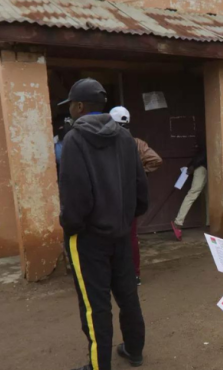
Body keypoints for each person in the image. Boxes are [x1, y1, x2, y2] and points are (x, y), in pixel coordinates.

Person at [59, 79, 149, 370]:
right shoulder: (125, 137)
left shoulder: (74, 139)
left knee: (95, 306)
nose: (70, 110)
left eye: (71, 105)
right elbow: (141, 188)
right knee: (127, 295)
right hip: (121, 234)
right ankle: (134, 350)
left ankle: (99, 366)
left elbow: (76, 196)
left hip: (88, 238)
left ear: (80, 106)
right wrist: (125, 219)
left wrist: (70, 227)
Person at [110, 106, 162, 286]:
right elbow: (156, 159)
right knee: (131, 236)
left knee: (111, 236)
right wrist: (140, 172)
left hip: (110, 198)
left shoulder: (104, 142)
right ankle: (134, 275)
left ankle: (115, 275)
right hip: (130, 197)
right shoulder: (137, 143)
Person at [170, 143, 206, 241]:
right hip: (201, 167)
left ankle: (178, 222)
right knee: (193, 194)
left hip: (202, 166)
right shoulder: (209, 141)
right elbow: (203, 155)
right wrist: (194, 166)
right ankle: (178, 223)